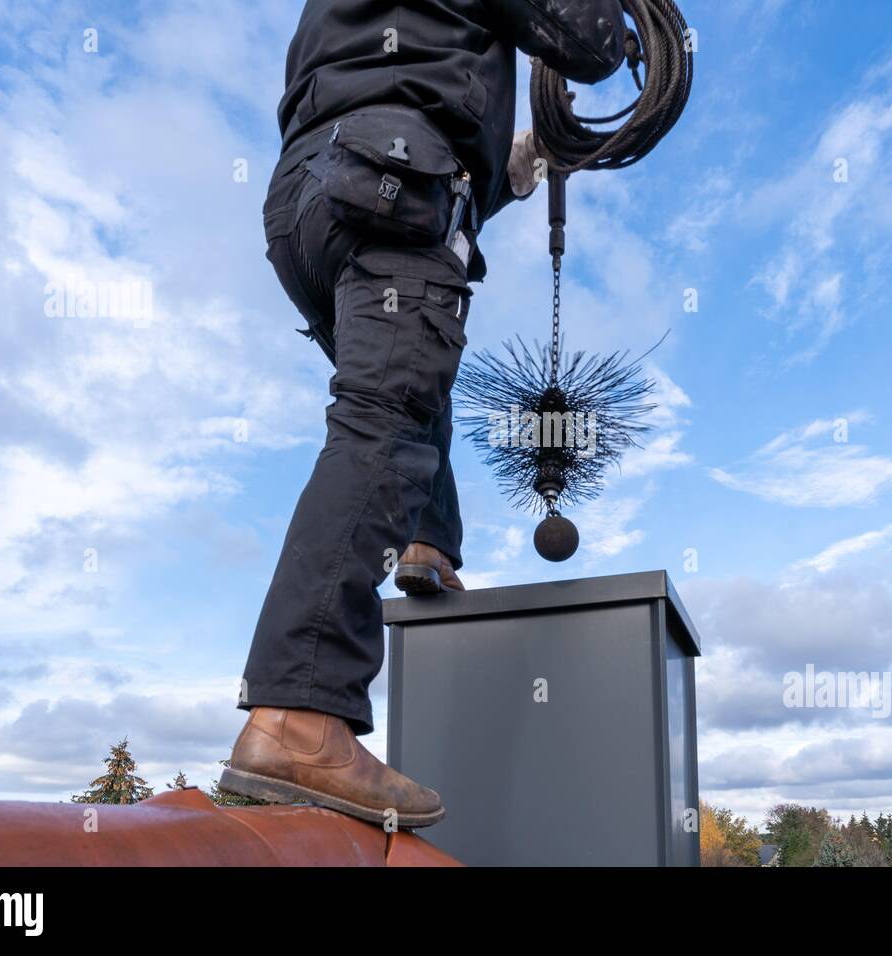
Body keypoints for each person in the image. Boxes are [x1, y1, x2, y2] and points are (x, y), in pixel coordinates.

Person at [223, 0, 627, 827]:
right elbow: (586, 40)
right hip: (390, 183)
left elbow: (397, 88)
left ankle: (428, 543)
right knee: (387, 417)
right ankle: (299, 716)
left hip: (311, 200)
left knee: (405, 388)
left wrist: (509, 169)